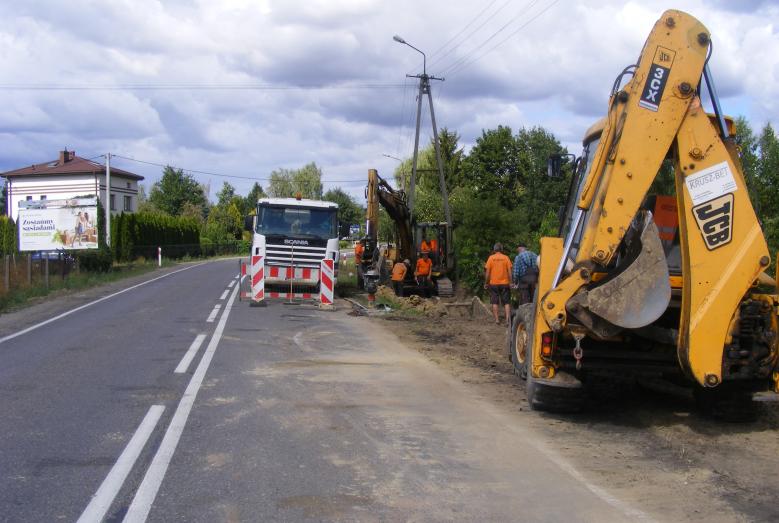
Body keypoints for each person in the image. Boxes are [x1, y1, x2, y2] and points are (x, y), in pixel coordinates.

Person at [484, 242, 513, 325]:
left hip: (493, 283)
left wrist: (486, 283)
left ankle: (497, 320)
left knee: (494, 302)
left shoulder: (491, 258)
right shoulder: (506, 258)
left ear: (494, 249)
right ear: (502, 249)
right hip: (505, 283)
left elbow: (487, 272)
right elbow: (510, 272)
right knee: (506, 302)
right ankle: (508, 320)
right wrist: (511, 282)